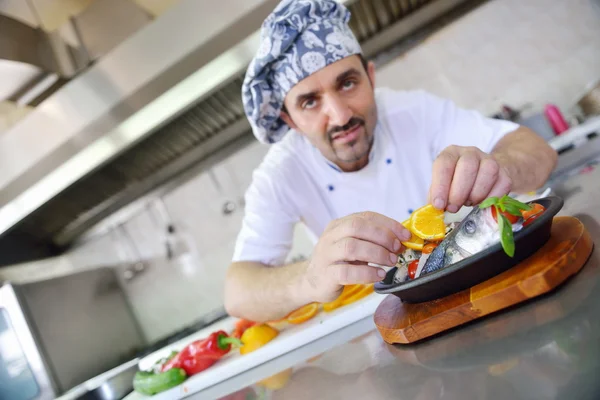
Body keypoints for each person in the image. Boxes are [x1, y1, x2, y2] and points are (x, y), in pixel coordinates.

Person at [224, 0, 557, 322]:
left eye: (348, 83)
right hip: (369, 325)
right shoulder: (279, 174)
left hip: (474, 288)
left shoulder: (414, 112)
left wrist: (499, 168)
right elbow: (237, 292)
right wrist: (310, 279)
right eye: (310, 102)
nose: (340, 115)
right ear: (291, 120)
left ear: (371, 77)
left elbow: (538, 151)